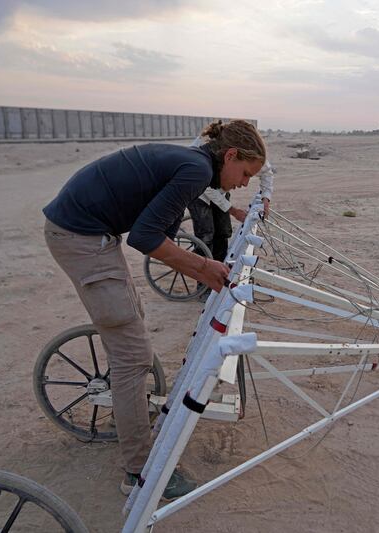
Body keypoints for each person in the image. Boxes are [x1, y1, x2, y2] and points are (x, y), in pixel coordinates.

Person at [42, 120, 266, 498]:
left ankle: (127, 410)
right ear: (230, 156)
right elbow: (146, 237)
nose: (244, 183)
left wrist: (199, 266)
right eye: (245, 173)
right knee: (132, 355)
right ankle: (138, 470)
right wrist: (202, 267)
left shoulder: (192, 163)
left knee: (131, 328)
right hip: (82, 237)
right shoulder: (195, 170)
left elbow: (154, 232)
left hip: (89, 232)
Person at [187, 137, 275, 266]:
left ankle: (220, 268)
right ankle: (204, 280)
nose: (245, 183)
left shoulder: (251, 155)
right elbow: (208, 189)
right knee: (206, 236)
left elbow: (267, 173)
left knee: (223, 232)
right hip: (198, 193)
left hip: (220, 189)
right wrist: (233, 211)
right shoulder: (206, 155)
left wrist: (265, 198)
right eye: (245, 174)